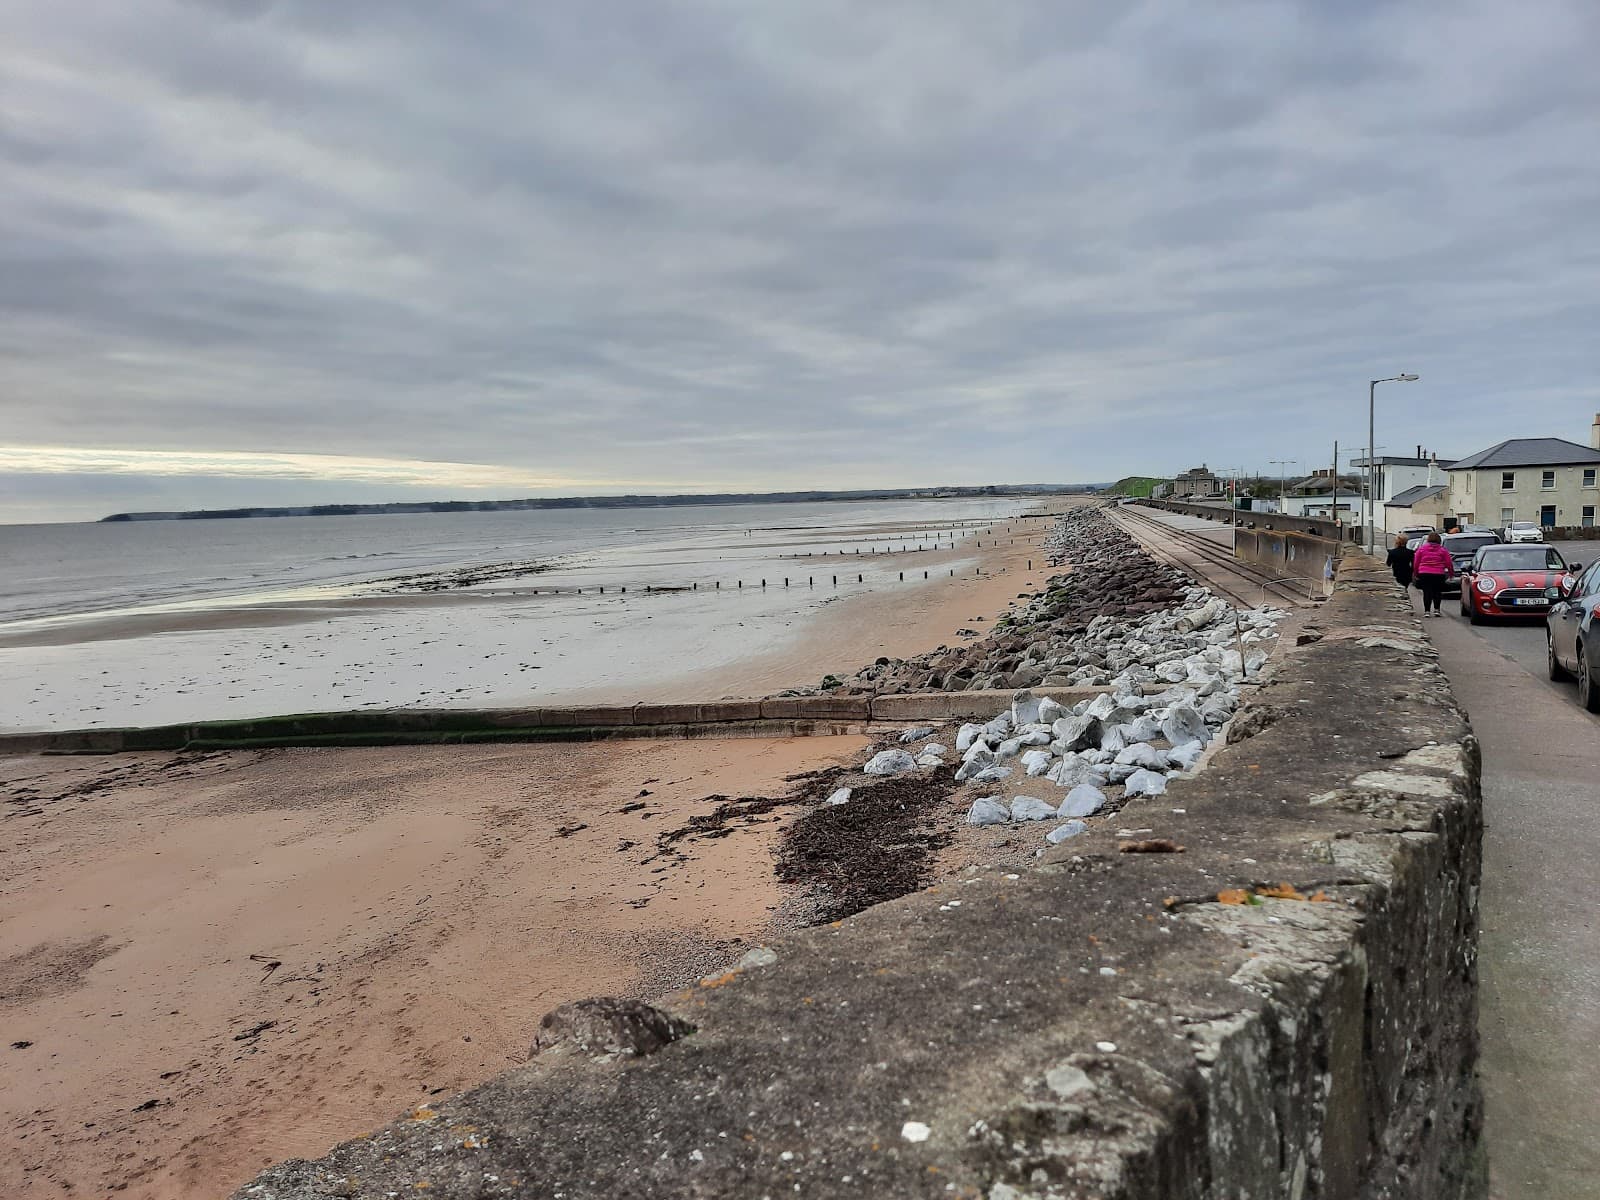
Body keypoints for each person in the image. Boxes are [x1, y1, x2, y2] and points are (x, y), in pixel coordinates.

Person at [1412, 531, 1453, 617]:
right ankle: (1436, 610)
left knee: (1427, 592)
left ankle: (1427, 611)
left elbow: (1416, 562)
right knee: (1437, 591)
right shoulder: (1443, 550)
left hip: (1424, 573)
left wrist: (1415, 573)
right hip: (1438, 573)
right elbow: (1449, 563)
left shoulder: (1421, 549)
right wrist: (1450, 573)